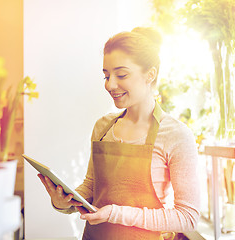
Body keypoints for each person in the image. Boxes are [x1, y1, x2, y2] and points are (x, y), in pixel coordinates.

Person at [38, 27, 200, 240]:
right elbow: (92, 186)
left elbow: (187, 217)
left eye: (121, 74)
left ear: (150, 74)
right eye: (106, 76)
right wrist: (63, 203)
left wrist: (115, 213)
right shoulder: (103, 127)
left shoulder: (176, 135)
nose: (110, 85)